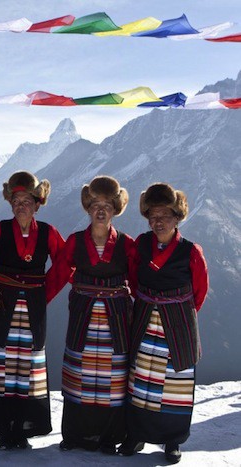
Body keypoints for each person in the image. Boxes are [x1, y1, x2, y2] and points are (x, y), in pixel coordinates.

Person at [0, 171, 64, 450]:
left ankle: (22, 429)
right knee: (1, 366)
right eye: (16, 200)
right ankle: (3, 429)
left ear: (37, 204)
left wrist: (43, 293)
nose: (21, 205)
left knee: (28, 367)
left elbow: (63, 266)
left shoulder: (48, 233)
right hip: (2, 307)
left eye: (27, 200)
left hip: (33, 308)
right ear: (10, 203)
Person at [118, 183, 208, 464]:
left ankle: (172, 441)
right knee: (141, 380)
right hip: (146, 317)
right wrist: (148, 301)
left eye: (165, 216)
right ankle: (136, 434)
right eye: (153, 216)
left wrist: (178, 311)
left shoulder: (191, 251)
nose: (158, 222)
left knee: (174, 383)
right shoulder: (141, 245)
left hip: (177, 321)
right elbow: (133, 277)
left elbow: (200, 291)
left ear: (177, 217)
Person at [49, 176, 136, 454]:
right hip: (84, 315)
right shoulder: (75, 242)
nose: (101, 210)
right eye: (96, 204)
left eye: (108, 205)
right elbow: (59, 275)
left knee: (112, 376)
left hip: (116, 317)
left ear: (116, 209)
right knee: (79, 373)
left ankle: (108, 438)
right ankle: (74, 435)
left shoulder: (127, 244)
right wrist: (37, 301)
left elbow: (137, 281)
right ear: (87, 207)